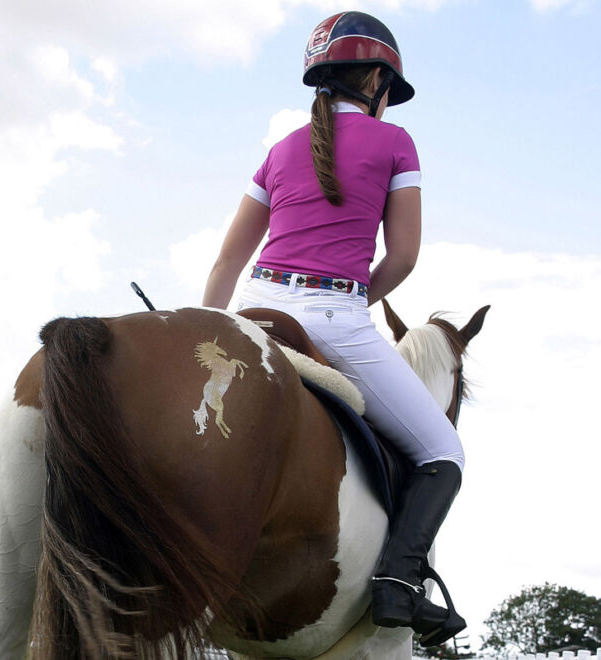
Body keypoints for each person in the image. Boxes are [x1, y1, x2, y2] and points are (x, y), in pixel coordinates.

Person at [202, 11, 465, 646]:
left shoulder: (278, 151)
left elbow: (226, 261)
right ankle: (399, 584)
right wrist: (354, 305)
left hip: (252, 308)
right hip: (335, 314)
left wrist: (212, 330)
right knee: (443, 454)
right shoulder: (397, 142)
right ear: (376, 78)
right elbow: (402, 258)